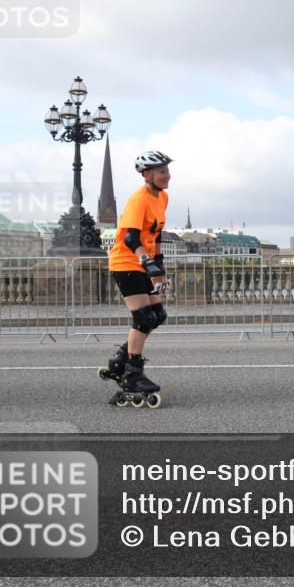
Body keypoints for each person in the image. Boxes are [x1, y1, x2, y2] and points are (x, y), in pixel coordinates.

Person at [100, 150, 172, 407]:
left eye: (167, 171)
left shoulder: (162, 197)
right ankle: (132, 374)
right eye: (162, 172)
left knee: (158, 316)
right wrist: (146, 261)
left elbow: (157, 234)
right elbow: (131, 237)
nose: (167, 176)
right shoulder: (138, 200)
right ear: (147, 175)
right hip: (126, 261)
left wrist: (159, 265)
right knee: (143, 318)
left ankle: (122, 358)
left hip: (145, 264)